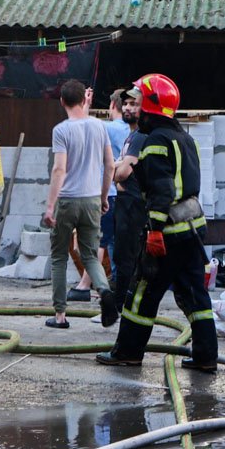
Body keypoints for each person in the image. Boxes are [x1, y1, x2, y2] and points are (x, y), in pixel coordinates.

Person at [96, 73, 218, 372]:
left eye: (137, 102)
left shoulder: (156, 141)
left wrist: (154, 231)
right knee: (194, 295)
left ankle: (127, 352)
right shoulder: (185, 138)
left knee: (142, 293)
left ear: (150, 106)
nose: (133, 107)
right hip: (191, 230)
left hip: (167, 235)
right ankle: (206, 356)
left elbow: (162, 190)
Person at [43, 79, 119, 329]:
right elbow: (110, 165)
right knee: (90, 255)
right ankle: (105, 294)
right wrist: (104, 196)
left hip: (67, 200)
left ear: (62, 101)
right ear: (84, 101)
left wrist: (50, 206)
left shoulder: (61, 130)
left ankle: (60, 316)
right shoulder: (99, 126)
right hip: (91, 200)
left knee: (58, 258)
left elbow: (59, 169)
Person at [76, 89, 129, 305]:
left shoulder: (111, 128)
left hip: (108, 193)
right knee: (115, 244)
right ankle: (114, 287)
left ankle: (88, 286)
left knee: (97, 243)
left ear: (113, 106)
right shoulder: (132, 130)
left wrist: (86, 103)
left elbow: (83, 125)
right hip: (124, 195)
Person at [105, 87, 147, 322]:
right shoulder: (131, 136)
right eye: (127, 104)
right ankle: (121, 307)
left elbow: (121, 174)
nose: (129, 108)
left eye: (135, 104)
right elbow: (119, 168)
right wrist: (118, 165)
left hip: (133, 206)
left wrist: (116, 166)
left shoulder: (140, 136)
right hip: (123, 204)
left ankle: (123, 308)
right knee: (120, 257)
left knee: (127, 258)